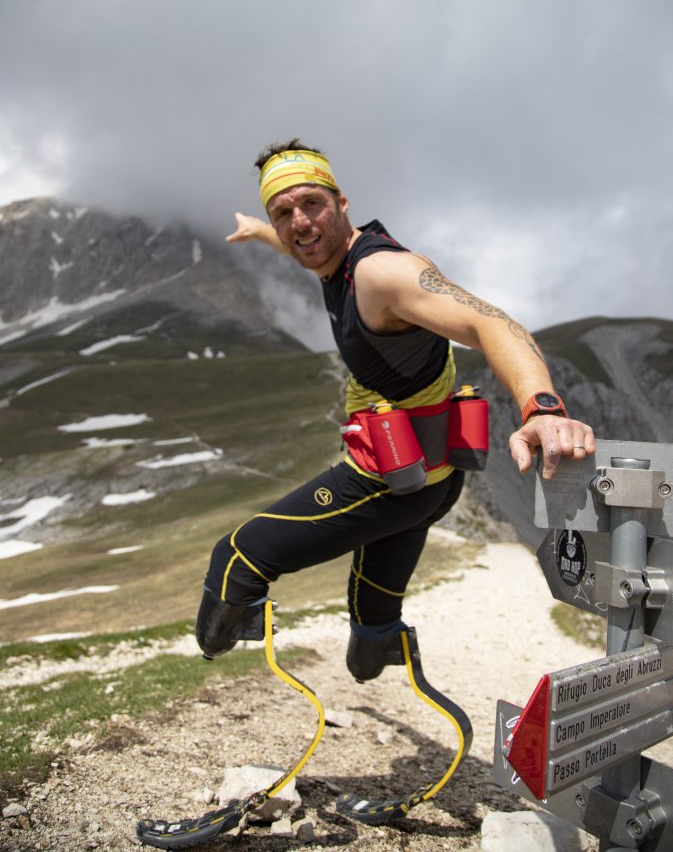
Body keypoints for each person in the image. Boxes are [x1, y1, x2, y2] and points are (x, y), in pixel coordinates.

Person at [195, 140, 595, 680]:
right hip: (426, 479)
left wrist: (542, 408)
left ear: (342, 202)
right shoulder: (326, 253)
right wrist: (258, 231)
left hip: (387, 479)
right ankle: (380, 648)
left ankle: (207, 677)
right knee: (369, 631)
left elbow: (492, 323)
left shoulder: (382, 274)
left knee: (236, 560)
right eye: (282, 213)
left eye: (311, 204)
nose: (299, 223)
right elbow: (298, 244)